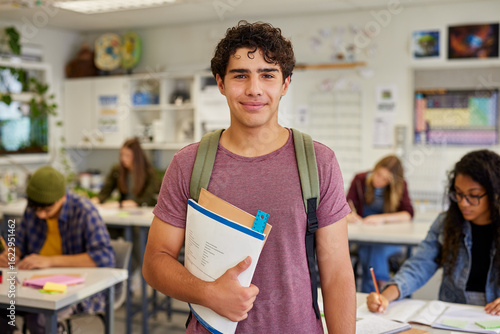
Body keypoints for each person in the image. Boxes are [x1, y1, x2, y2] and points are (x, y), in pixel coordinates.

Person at [142, 21, 356, 333]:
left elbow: (337, 272)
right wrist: (208, 293)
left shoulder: (318, 162)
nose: (254, 88)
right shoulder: (189, 163)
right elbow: (154, 263)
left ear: (284, 85)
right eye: (240, 75)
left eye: (267, 75)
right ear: (220, 83)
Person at [367, 149, 500, 315]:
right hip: (453, 314)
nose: (463, 203)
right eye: (458, 194)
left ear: (495, 193)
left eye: (473, 195)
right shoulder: (447, 223)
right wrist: (385, 297)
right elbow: (419, 265)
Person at [0, 166, 115, 334]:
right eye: (36, 209)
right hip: (32, 284)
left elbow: (104, 257)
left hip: (75, 289)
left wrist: (49, 261)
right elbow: (18, 243)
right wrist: (10, 254)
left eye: (47, 210)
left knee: (39, 317)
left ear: (62, 198)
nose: (40, 215)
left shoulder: (84, 210)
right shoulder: (33, 209)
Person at [346, 155, 414, 293]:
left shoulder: (401, 185)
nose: (379, 180)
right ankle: (380, 290)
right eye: (378, 174)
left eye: (385, 179)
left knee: (375, 250)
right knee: (368, 249)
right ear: (374, 169)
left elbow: (408, 214)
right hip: (364, 237)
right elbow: (346, 206)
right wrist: (349, 215)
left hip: (389, 240)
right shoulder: (360, 180)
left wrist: (382, 218)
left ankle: (372, 291)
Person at [92, 137, 160, 208]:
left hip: (144, 210)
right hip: (124, 211)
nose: (123, 159)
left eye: (128, 155)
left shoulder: (149, 173)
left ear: (136, 157)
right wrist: (93, 201)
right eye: (122, 154)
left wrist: (119, 204)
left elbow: (145, 199)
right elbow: (105, 192)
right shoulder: (117, 171)